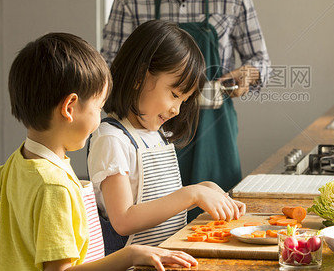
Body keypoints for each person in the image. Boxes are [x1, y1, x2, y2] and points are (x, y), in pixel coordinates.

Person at [0, 33, 198, 271]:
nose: (100, 116)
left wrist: (20, 251)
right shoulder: (54, 187)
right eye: (98, 106)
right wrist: (130, 255)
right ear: (70, 107)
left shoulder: (12, 166)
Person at [101, 0, 271, 206]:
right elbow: (108, 73)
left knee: (218, 217)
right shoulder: (130, 1)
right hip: (149, 129)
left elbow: (261, 63)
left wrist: (248, 74)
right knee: (155, 217)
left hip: (214, 130)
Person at [88, 20, 246, 255]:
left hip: (165, 259)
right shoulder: (112, 139)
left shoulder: (155, 135)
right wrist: (191, 194)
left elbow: (161, 200)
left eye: (183, 101)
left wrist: (205, 189)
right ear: (140, 77)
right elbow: (123, 220)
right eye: (174, 94)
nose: (177, 110)